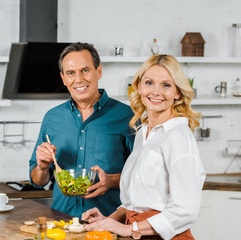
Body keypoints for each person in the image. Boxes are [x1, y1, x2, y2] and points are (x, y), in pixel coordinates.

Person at [82, 54, 206, 240]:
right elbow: (135, 202)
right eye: (149, 83)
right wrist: (108, 220)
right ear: (139, 86)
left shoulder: (178, 136)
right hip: (138, 233)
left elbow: (186, 210)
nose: (156, 92)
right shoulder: (143, 133)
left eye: (166, 85)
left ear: (177, 92)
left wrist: (127, 230)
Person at [29, 42, 135, 218]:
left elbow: (145, 176)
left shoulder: (126, 116)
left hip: (110, 223)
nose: (78, 79)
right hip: (62, 223)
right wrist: (41, 167)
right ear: (63, 78)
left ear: (98, 71)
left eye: (85, 70)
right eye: (71, 73)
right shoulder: (52, 118)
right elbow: (38, 180)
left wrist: (112, 181)